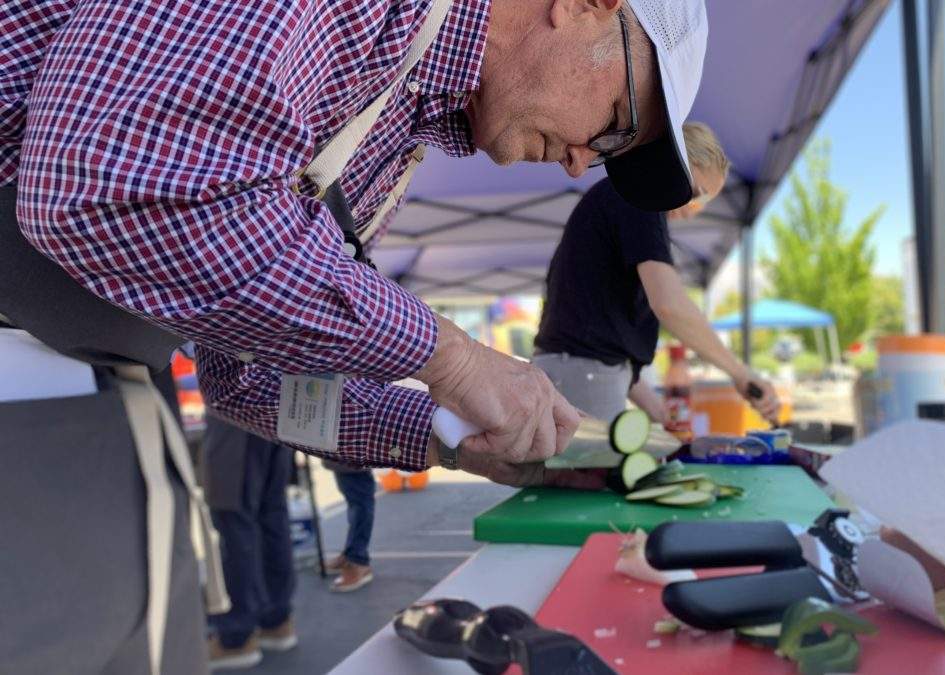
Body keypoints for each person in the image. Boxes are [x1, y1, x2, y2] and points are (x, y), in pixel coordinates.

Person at [1, 1, 709, 671]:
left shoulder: (391, 135)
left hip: (97, 417)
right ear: (587, 4)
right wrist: (453, 359)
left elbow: (247, 378)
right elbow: (108, 183)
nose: (583, 163)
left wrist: (450, 435)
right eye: (616, 121)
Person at [534, 122, 782, 425]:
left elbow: (604, 333)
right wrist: (741, 374)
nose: (696, 209)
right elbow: (669, 304)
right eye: (699, 193)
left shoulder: (623, 199)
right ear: (676, 161)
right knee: (590, 473)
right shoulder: (641, 199)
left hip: (574, 370)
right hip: (580, 372)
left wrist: (654, 408)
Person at [200, 414, 298, 670]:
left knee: (234, 517)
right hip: (278, 404)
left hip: (236, 405)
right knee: (271, 513)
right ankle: (275, 620)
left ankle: (236, 636)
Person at [323, 461, 379, 593]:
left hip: (353, 450)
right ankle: (351, 553)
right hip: (340, 452)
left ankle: (358, 560)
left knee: (360, 502)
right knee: (354, 500)